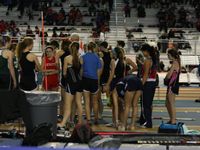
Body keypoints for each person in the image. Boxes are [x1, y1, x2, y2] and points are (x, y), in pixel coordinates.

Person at [58, 42, 83, 128]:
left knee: (68, 105)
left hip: (71, 83)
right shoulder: (81, 58)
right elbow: (81, 72)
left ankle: (63, 123)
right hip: (79, 83)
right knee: (79, 103)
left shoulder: (67, 58)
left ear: (70, 48)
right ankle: (80, 123)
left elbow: (64, 73)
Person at [82, 42, 102, 124]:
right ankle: (96, 119)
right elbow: (98, 71)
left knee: (86, 101)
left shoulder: (83, 57)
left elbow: (81, 70)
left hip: (85, 79)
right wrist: (98, 82)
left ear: (87, 48)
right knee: (95, 101)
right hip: (94, 80)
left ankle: (89, 119)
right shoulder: (97, 57)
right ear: (94, 48)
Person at [139, 43, 157, 128]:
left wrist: (141, 85)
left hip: (147, 83)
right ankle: (147, 121)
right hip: (152, 83)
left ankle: (148, 123)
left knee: (145, 104)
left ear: (146, 51)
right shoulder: (153, 59)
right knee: (148, 104)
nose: (142, 53)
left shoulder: (147, 60)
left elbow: (145, 75)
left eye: (143, 51)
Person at [164, 48, 180, 124]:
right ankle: (171, 119)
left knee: (171, 103)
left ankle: (173, 121)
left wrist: (166, 77)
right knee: (167, 103)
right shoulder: (175, 62)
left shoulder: (175, 63)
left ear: (172, 55)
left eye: (168, 55)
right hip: (171, 85)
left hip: (172, 85)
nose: (167, 56)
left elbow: (170, 75)